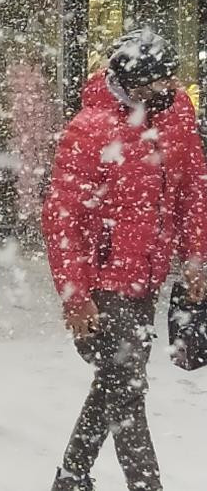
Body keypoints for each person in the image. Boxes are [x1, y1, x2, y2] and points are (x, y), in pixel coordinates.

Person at [43, 29, 207, 491]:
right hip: (102, 283)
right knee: (126, 386)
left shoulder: (177, 115)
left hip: (147, 280)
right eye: (160, 82)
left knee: (115, 382)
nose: (171, 89)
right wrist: (75, 293)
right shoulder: (90, 128)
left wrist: (196, 257)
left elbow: (194, 190)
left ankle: (72, 478)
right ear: (135, 83)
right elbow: (63, 218)